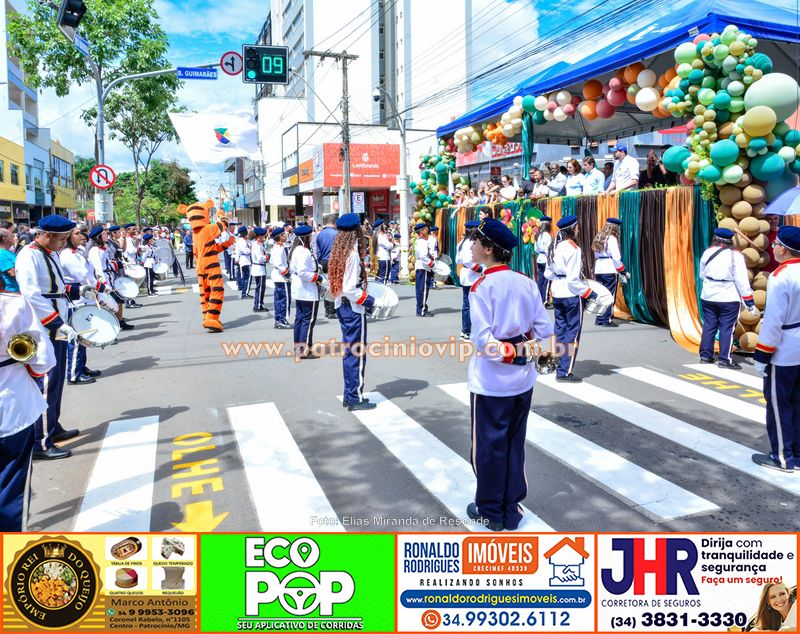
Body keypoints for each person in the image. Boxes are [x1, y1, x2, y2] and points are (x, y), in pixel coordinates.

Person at [466, 217, 553, 531]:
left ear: (489, 249)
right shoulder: (526, 282)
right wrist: (525, 350)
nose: (471, 246)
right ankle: (511, 509)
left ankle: (491, 511)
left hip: (492, 383)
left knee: (489, 449)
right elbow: (544, 329)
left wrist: (513, 352)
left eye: (475, 241)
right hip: (523, 380)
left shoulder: (481, 287)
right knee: (514, 444)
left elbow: (484, 342)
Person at [15, 215, 86, 460]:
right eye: (62, 239)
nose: (64, 243)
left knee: (56, 382)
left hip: (57, 325)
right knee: (45, 383)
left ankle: (52, 427)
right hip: (43, 328)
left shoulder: (51, 252)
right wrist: (57, 323)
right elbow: (31, 294)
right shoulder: (29, 255)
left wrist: (79, 290)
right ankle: (40, 442)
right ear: (47, 235)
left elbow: (57, 287)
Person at [0, 287, 56, 530]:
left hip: (13, 408)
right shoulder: (12, 303)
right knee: (11, 488)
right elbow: (43, 360)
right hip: (11, 406)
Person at [751, 226, 800, 473]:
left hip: (785, 348)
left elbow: (773, 321)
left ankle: (782, 457)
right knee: (797, 401)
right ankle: (797, 455)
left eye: (776, 244)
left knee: (779, 404)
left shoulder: (780, 276)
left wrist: (762, 354)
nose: (773, 248)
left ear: (784, 249)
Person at [328, 213, 377, 411]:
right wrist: (371, 301)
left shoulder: (341, 251)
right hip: (353, 307)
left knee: (349, 353)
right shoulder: (353, 254)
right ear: (356, 231)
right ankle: (355, 398)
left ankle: (349, 395)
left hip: (343, 306)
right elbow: (350, 288)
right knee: (357, 353)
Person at [59, 226, 116, 384]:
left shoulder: (77, 252)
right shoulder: (68, 254)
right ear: (68, 237)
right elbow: (84, 277)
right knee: (77, 338)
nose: (81, 236)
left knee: (83, 337)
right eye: (76, 234)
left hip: (84, 298)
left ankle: (81, 367)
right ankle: (74, 374)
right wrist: (102, 287)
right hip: (76, 300)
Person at [545, 215, 597, 383]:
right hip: (571, 293)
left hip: (557, 292)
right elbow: (573, 280)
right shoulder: (573, 248)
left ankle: (557, 363)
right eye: (577, 227)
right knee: (572, 333)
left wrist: (559, 276)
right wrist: (589, 293)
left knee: (559, 330)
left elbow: (548, 273)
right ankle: (564, 371)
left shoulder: (554, 246)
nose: (578, 230)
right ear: (572, 229)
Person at [698, 228, 757, 369]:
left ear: (715, 238)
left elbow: (702, 274)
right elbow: (742, 280)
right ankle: (725, 359)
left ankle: (705, 356)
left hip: (709, 295)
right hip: (728, 296)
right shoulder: (735, 255)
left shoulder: (708, 252)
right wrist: (749, 300)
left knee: (709, 325)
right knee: (727, 328)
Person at [592, 218, 627, 327]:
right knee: (609, 295)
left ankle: (599, 319)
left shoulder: (599, 236)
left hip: (599, 268)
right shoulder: (612, 239)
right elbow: (616, 257)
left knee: (601, 295)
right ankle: (606, 320)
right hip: (609, 268)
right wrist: (623, 270)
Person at [455, 220, 482, 341]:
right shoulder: (469, 243)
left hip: (467, 274)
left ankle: (465, 330)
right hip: (472, 275)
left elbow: (458, 260)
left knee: (467, 304)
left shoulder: (462, 242)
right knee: (471, 305)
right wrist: (479, 268)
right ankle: (467, 331)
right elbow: (467, 260)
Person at [316, 213, 338, 318]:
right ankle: (332, 310)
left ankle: (327, 309)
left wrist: (319, 262)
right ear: (335, 222)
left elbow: (318, 251)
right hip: (334, 261)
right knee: (334, 285)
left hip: (323, 261)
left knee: (326, 285)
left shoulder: (320, 234)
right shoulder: (337, 234)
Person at [270, 227, 292, 329]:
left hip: (277, 275)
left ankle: (278, 319)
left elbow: (272, 261)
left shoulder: (276, 246)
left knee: (278, 299)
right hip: (281, 275)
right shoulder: (280, 248)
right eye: (284, 234)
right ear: (280, 236)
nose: (286, 236)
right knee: (285, 299)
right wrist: (287, 274)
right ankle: (283, 320)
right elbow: (279, 263)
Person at [414, 223, 434, 317]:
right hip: (423, 266)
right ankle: (422, 310)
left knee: (420, 289)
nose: (427, 231)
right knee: (423, 290)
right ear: (421, 231)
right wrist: (431, 262)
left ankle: (420, 309)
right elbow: (423, 256)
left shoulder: (419, 240)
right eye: (425, 229)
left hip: (420, 266)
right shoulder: (423, 241)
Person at [249, 228, 269, 313]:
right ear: (260, 236)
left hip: (259, 268)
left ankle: (258, 304)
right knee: (260, 288)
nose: (264, 237)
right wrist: (267, 256)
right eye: (263, 235)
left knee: (260, 288)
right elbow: (260, 258)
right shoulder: (257, 245)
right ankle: (258, 305)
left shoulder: (258, 244)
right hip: (259, 268)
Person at [534, 216, 552, 304]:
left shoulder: (537, 234)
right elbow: (548, 250)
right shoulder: (547, 236)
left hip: (540, 258)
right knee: (546, 280)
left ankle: (539, 299)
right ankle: (545, 300)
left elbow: (536, 249)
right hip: (545, 259)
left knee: (540, 280)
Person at [372, 220, 392, 284]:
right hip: (384, 257)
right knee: (383, 277)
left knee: (378, 277)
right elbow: (389, 246)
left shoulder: (375, 235)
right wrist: (393, 244)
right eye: (383, 225)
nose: (385, 226)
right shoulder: (381, 236)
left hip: (378, 257)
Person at [236, 226, 251, 298]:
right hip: (244, 259)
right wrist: (251, 249)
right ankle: (244, 293)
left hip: (245, 259)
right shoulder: (242, 241)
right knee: (245, 277)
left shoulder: (242, 240)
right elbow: (245, 251)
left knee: (245, 277)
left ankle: (244, 292)